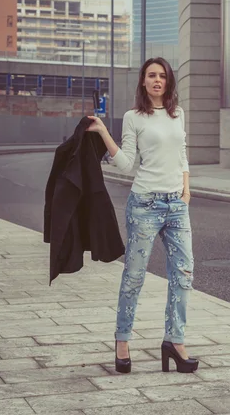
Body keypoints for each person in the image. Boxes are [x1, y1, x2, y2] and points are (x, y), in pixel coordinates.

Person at [86, 57, 198, 375]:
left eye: (162, 75)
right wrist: (104, 132)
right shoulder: (134, 117)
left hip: (177, 205)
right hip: (145, 204)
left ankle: (175, 341)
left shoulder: (178, 114)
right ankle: (122, 341)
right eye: (151, 75)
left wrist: (186, 192)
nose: (157, 80)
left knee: (184, 274)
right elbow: (126, 164)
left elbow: (182, 154)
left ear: (169, 81)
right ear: (143, 82)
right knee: (134, 277)